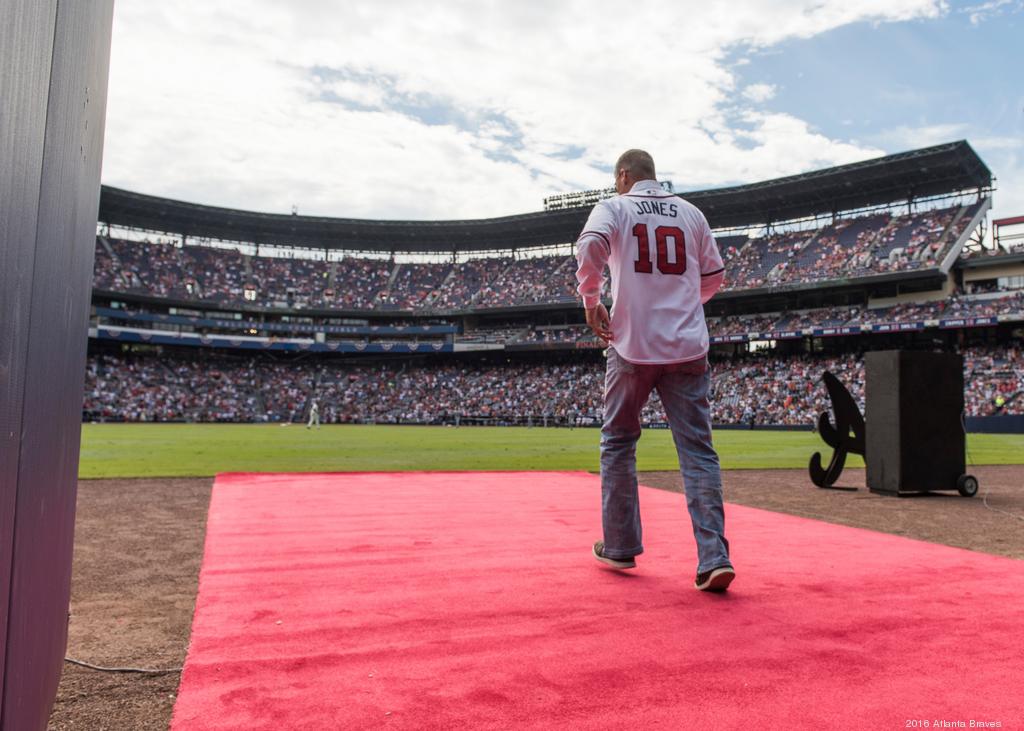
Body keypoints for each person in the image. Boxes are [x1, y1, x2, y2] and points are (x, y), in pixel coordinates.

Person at [575, 149, 733, 592]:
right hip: (687, 346)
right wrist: (683, 304)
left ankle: (621, 546)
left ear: (624, 176)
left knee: (619, 443)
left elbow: (589, 246)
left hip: (633, 346)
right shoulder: (691, 213)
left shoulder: (614, 207)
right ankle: (714, 557)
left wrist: (592, 299)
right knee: (698, 452)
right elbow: (715, 276)